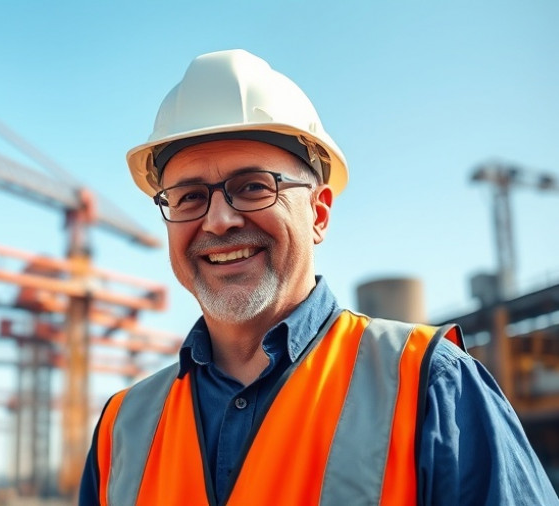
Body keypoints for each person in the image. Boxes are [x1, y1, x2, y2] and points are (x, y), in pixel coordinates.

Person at [78, 49, 558, 505]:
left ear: (319, 213)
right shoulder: (122, 429)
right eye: (188, 197)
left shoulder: (430, 385)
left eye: (252, 187)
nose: (219, 220)